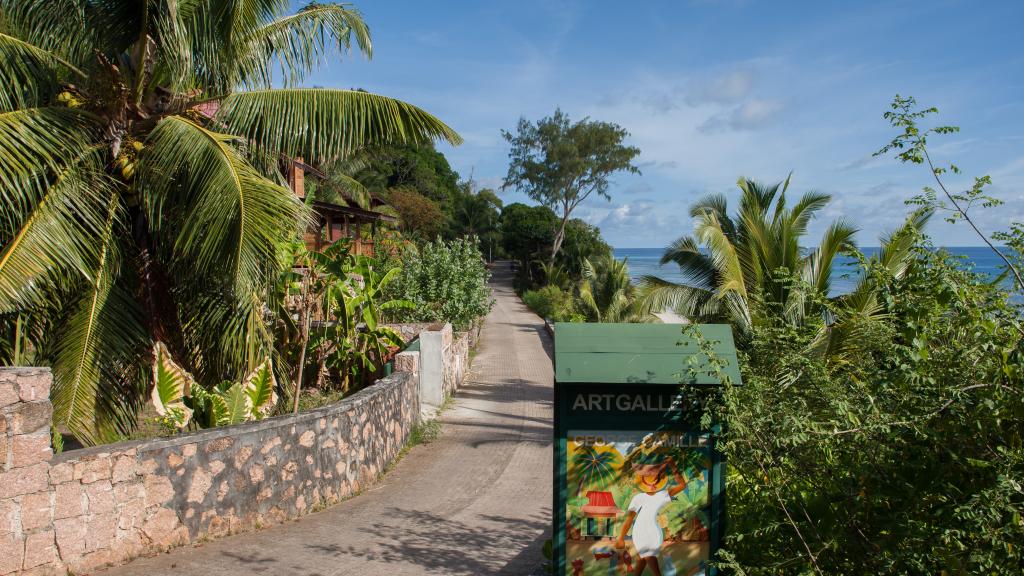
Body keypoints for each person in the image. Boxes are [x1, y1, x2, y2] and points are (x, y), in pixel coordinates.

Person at [614, 454, 688, 576]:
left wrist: (673, 466)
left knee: (645, 558)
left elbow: (682, 485)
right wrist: (621, 537)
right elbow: (629, 518)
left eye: (656, 478)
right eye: (647, 478)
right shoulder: (638, 497)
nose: (652, 481)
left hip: (653, 532)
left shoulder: (663, 495)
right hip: (639, 532)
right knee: (643, 558)